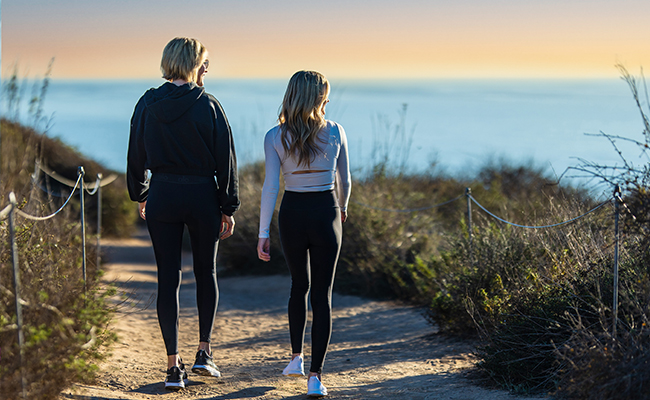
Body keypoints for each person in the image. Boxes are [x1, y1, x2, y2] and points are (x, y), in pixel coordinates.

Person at [127, 37, 239, 390]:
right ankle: (204, 353)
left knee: (168, 278)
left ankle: (173, 367)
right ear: (193, 64)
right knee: (205, 272)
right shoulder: (210, 105)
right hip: (203, 196)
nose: (207, 68)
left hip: (163, 194)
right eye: (204, 62)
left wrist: (141, 194)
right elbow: (226, 160)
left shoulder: (147, 103)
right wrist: (228, 206)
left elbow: (135, 154)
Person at [257, 70, 351, 397]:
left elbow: (271, 187)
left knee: (299, 286)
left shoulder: (274, 136)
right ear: (318, 97)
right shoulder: (336, 131)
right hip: (326, 211)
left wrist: (262, 231)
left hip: (292, 214)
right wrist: (342, 210)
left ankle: (296, 358)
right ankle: (315, 378)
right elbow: (345, 182)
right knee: (322, 295)